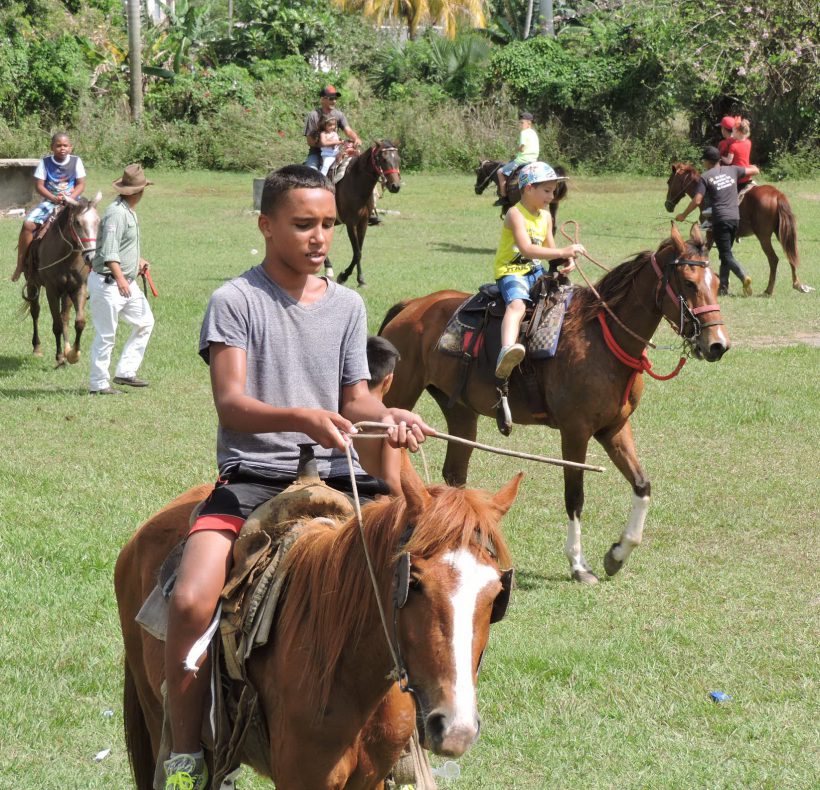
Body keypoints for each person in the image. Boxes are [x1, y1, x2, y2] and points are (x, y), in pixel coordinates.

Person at [161, 165, 432, 790]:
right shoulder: (236, 300)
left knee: (426, 582)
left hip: (339, 481)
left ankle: (407, 739)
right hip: (256, 478)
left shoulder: (346, 304)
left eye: (329, 225)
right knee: (190, 599)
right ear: (266, 225)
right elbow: (231, 403)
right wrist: (302, 418)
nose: (319, 238)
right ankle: (187, 757)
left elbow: (355, 400)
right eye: (303, 224)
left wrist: (389, 416)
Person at [493, 161, 584, 379]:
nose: (551, 197)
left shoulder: (545, 217)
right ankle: (506, 351)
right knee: (517, 305)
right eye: (546, 191)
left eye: (553, 191)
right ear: (528, 188)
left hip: (535, 271)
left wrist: (565, 260)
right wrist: (563, 251)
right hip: (511, 271)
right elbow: (526, 249)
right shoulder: (515, 214)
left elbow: (550, 250)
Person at [87, 164, 155, 395]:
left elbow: (122, 246)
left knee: (145, 322)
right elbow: (108, 252)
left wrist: (137, 261)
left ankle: (125, 372)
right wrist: (121, 280)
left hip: (123, 281)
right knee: (106, 335)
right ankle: (98, 385)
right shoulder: (116, 213)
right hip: (110, 283)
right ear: (139, 192)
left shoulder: (127, 210)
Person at [675, 146, 759, 296]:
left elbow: (698, 199)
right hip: (735, 218)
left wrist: (684, 214)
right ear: (719, 159)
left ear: (707, 162)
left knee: (726, 254)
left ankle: (743, 276)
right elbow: (754, 171)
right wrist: (753, 166)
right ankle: (723, 287)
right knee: (726, 252)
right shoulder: (733, 170)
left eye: (704, 161)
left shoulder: (706, 177)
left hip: (720, 219)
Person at [11, 132, 86, 282]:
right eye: (58, 145)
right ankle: (21, 265)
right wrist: (54, 198)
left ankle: (96, 264)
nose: (62, 148)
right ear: (52, 147)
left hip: (73, 200)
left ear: (70, 148)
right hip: (51, 201)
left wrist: (70, 198)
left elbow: (81, 184)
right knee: (28, 224)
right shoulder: (45, 162)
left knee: (90, 222)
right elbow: (39, 185)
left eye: (65, 145)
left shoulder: (76, 161)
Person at [353, 336, 402, 496]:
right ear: (388, 380)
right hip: (372, 506)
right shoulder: (388, 423)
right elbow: (391, 481)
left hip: (342, 493)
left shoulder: (340, 409)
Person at [303, 85, 361, 171]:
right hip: (316, 153)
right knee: (311, 173)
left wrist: (356, 138)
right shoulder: (313, 115)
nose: (334, 101)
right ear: (322, 99)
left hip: (335, 152)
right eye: (331, 98)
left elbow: (348, 130)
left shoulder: (339, 115)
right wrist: (327, 144)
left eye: (335, 99)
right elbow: (310, 141)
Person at [495, 111, 540, 205]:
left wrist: (518, 149)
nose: (520, 125)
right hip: (534, 161)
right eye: (520, 123)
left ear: (529, 123)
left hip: (522, 160)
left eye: (522, 123)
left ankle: (503, 196)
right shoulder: (534, 133)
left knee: (500, 172)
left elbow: (522, 148)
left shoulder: (524, 133)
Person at [726, 119, 753, 191]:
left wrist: (721, 157)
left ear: (738, 132)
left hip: (738, 176)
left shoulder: (733, 146)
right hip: (747, 174)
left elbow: (728, 161)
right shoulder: (749, 142)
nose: (732, 134)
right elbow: (742, 138)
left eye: (733, 131)